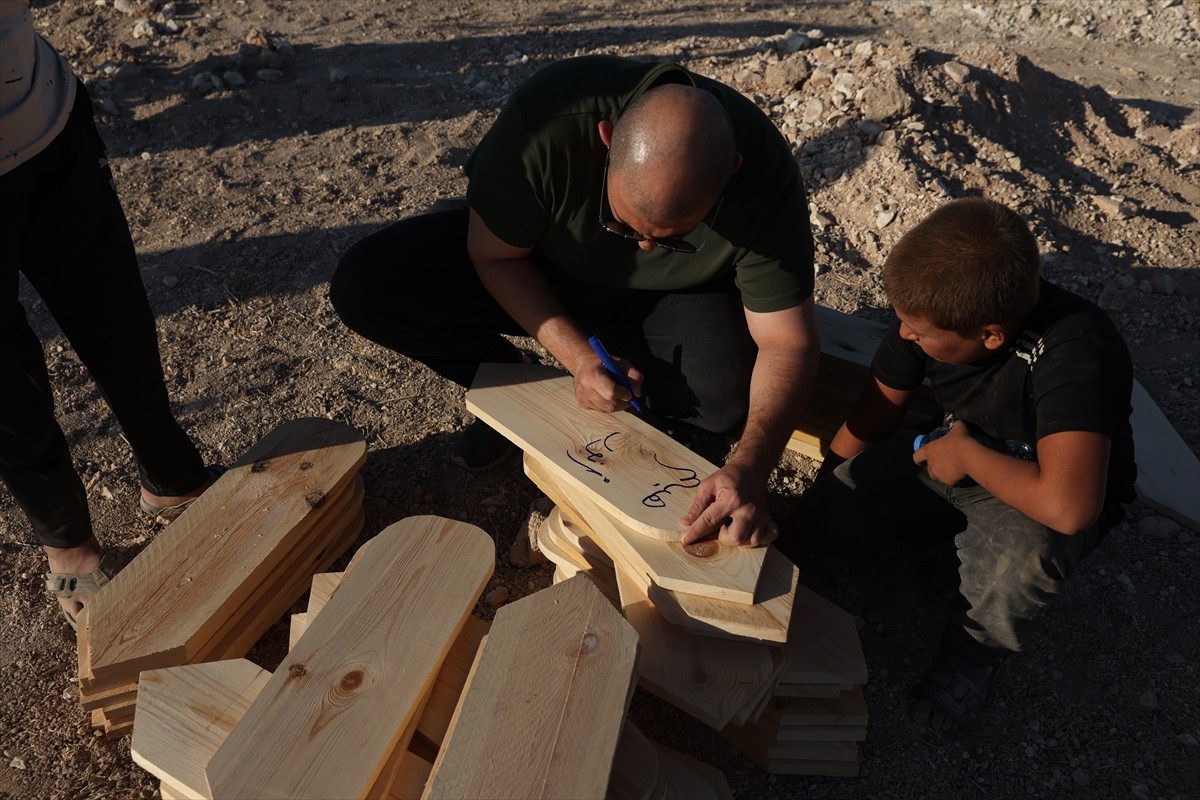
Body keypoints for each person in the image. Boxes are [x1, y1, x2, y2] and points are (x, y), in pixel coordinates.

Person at [332, 55, 820, 547]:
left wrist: (752, 467)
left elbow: (787, 341)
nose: (643, 247)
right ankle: (512, 381)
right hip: (537, 266)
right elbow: (494, 257)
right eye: (621, 223)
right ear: (606, 140)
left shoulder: (766, 180)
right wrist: (579, 359)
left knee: (717, 401)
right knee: (371, 286)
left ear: (731, 173)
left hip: (670, 297)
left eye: (673, 239)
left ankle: (643, 432)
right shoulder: (547, 122)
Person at [779, 198, 1136, 731]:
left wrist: (968, 453)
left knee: (1020, 560)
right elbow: (876, 412)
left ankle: (974, 651)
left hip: (1035, 491)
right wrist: (817, 501)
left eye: (918, 332)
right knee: (837, 511)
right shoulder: (929, 311)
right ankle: (946, 554)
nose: (905, 335)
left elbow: (1070, 507)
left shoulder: (1078, 349)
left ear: (990, 335)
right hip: (947, 453)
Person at [1, 1, 217, 628]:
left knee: (112, 309)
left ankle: (171, 474)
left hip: (42, 111)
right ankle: (67, 539)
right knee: (5, 377)